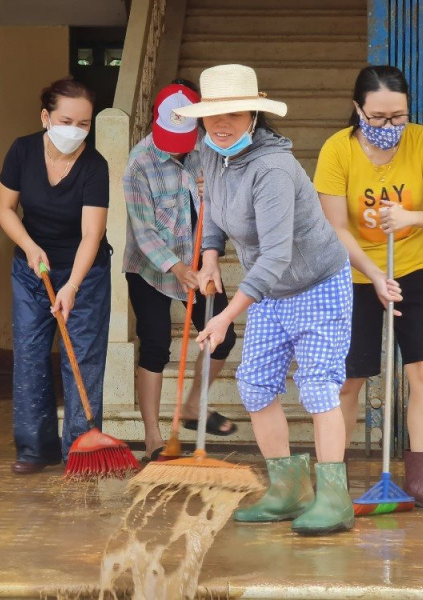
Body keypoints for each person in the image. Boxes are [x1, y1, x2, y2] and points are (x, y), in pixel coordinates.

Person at [176, 64, 398, 535]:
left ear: (254, 115)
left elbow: (276, 254)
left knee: (318, 387)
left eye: (235, 114)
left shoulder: (272, 168)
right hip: (272, 290)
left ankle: (333, 499)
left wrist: (226, 317)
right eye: (214, 114)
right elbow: (211, 209)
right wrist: (211, 256)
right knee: (255, 385)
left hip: (317, 283)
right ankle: (288, 491)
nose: (222, 124)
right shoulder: (210, 151)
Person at [314, 65, 423, 510]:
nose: (389, 126)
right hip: (355, 275)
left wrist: (410, 216)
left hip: (416, 270)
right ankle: (333, 483)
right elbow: (336, 227)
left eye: (398, 117)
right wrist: (374, 275)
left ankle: (420, 482)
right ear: (358, 109)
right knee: (348, 380)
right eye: (377, 117)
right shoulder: (337, 150)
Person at [0, 76, 112, 475]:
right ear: (46, 117)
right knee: (30, 355)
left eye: (84, 124)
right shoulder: (22, 151)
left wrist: (72, 285)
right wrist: (29, 246)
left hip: (85, 272)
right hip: (33, 268)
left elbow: (92, 234)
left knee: (83, 358)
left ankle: (80, 451)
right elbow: (4, 207)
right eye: (66, 121)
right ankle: (35, 450)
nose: (75, 131)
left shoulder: (95, 166)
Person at [123, 80, 238, 463]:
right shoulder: (138, 164)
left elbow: (227, 209)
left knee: (223, 337)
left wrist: (213, 192)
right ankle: (154, 438)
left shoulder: (209, 149)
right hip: (151, 268)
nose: (178, 149)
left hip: (199, 257)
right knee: (155, 343)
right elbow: (143, 232)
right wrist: (176, 267)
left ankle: (191, 406)